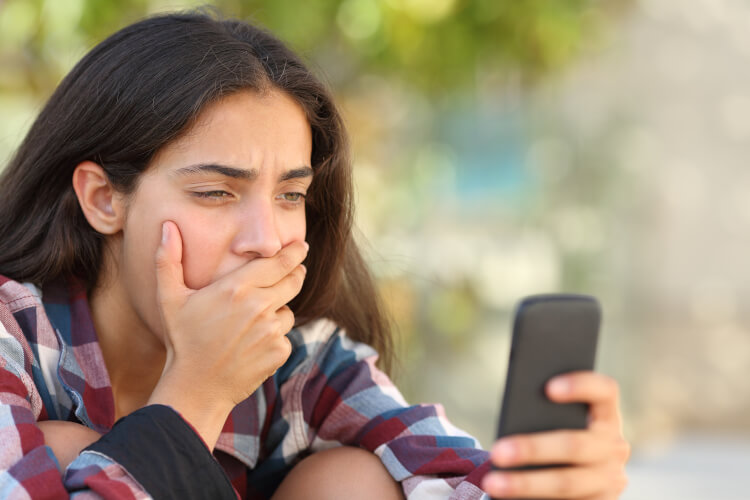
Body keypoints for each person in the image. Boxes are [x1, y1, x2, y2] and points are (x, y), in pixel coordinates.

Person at [0, 10, 629, 500]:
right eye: (216, 192)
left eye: (290, 194)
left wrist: (550, 483)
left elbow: (444, 474)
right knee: (61, 452)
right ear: (104, 198)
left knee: (351, 481)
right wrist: (195, 394)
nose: (266, 239)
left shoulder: (301, 360)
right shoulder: (13, 335)